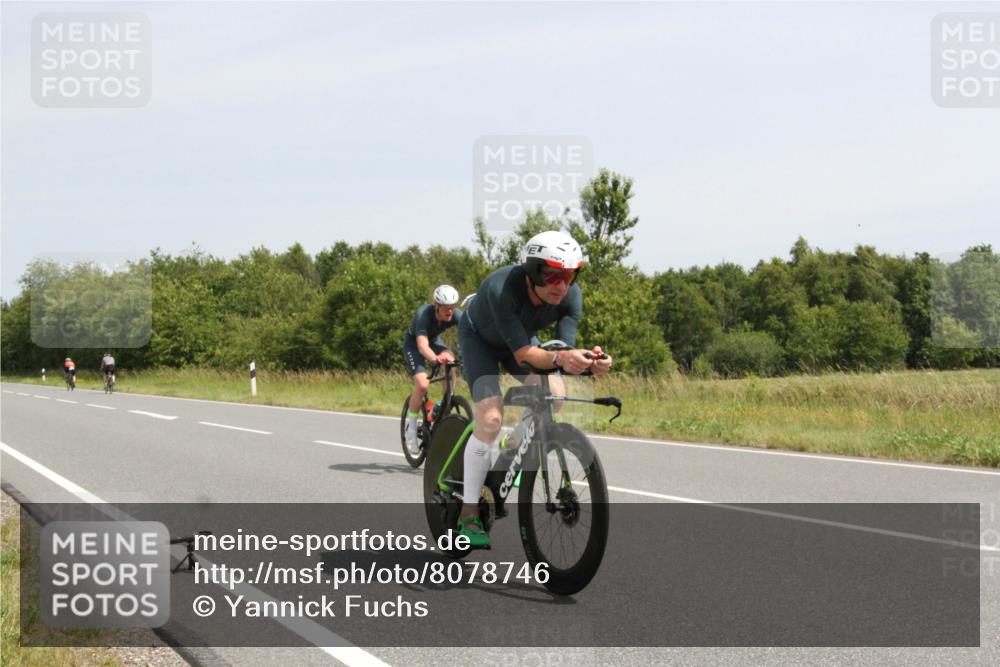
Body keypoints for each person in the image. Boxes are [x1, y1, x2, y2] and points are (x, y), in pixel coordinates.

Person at [456, 230, 612, 547]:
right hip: (482, 342)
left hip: (521, 341)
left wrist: (587, 362)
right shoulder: (503, 289)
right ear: (531, 270)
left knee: (554, 393)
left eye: (569, 275)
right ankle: (468, 512)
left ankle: (509, 451)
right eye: (551, 274)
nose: (561, 285)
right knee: (490, 420)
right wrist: (560, 357)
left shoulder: (570, 296)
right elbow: (525, 356)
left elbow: (560, 350)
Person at [403, 285, 462, 455]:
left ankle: (445, 403)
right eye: (446, 307)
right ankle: (412, 428)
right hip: (414, 345)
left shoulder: (455, 315)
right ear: (436, 306)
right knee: (422, 385)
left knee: (450, 361)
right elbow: (422, 346)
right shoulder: (423, 314)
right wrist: (435, 359)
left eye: (452, 307)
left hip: (434, 341)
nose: (450, 311)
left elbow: (470, 331)